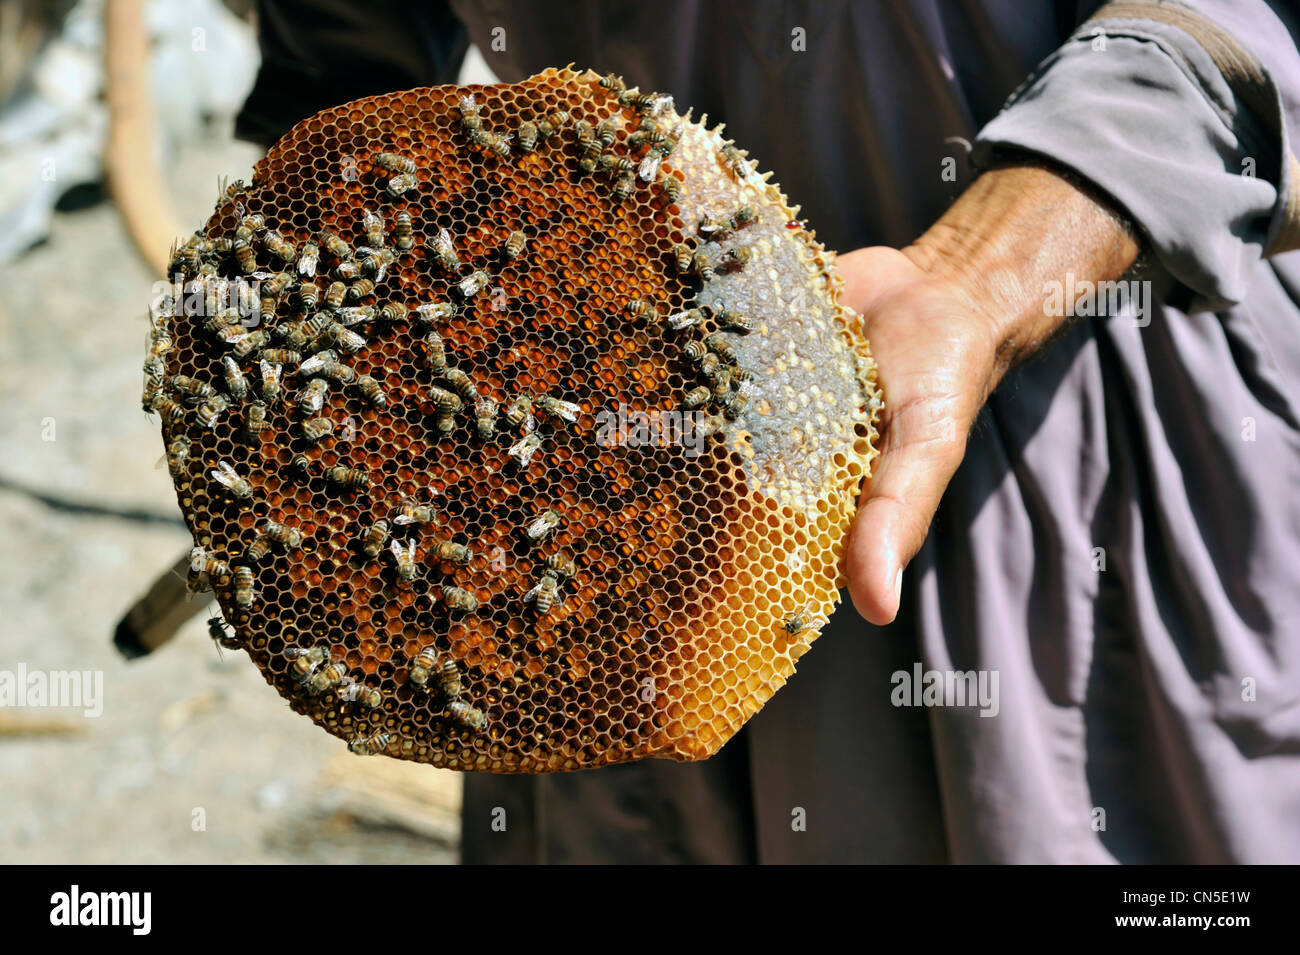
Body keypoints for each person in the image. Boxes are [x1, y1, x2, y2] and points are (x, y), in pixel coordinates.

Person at [237, 0, 1300, 863]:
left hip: (1083, 405)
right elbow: (345, 60)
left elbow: (1246, 34)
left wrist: (984, 270)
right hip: (586, 520)